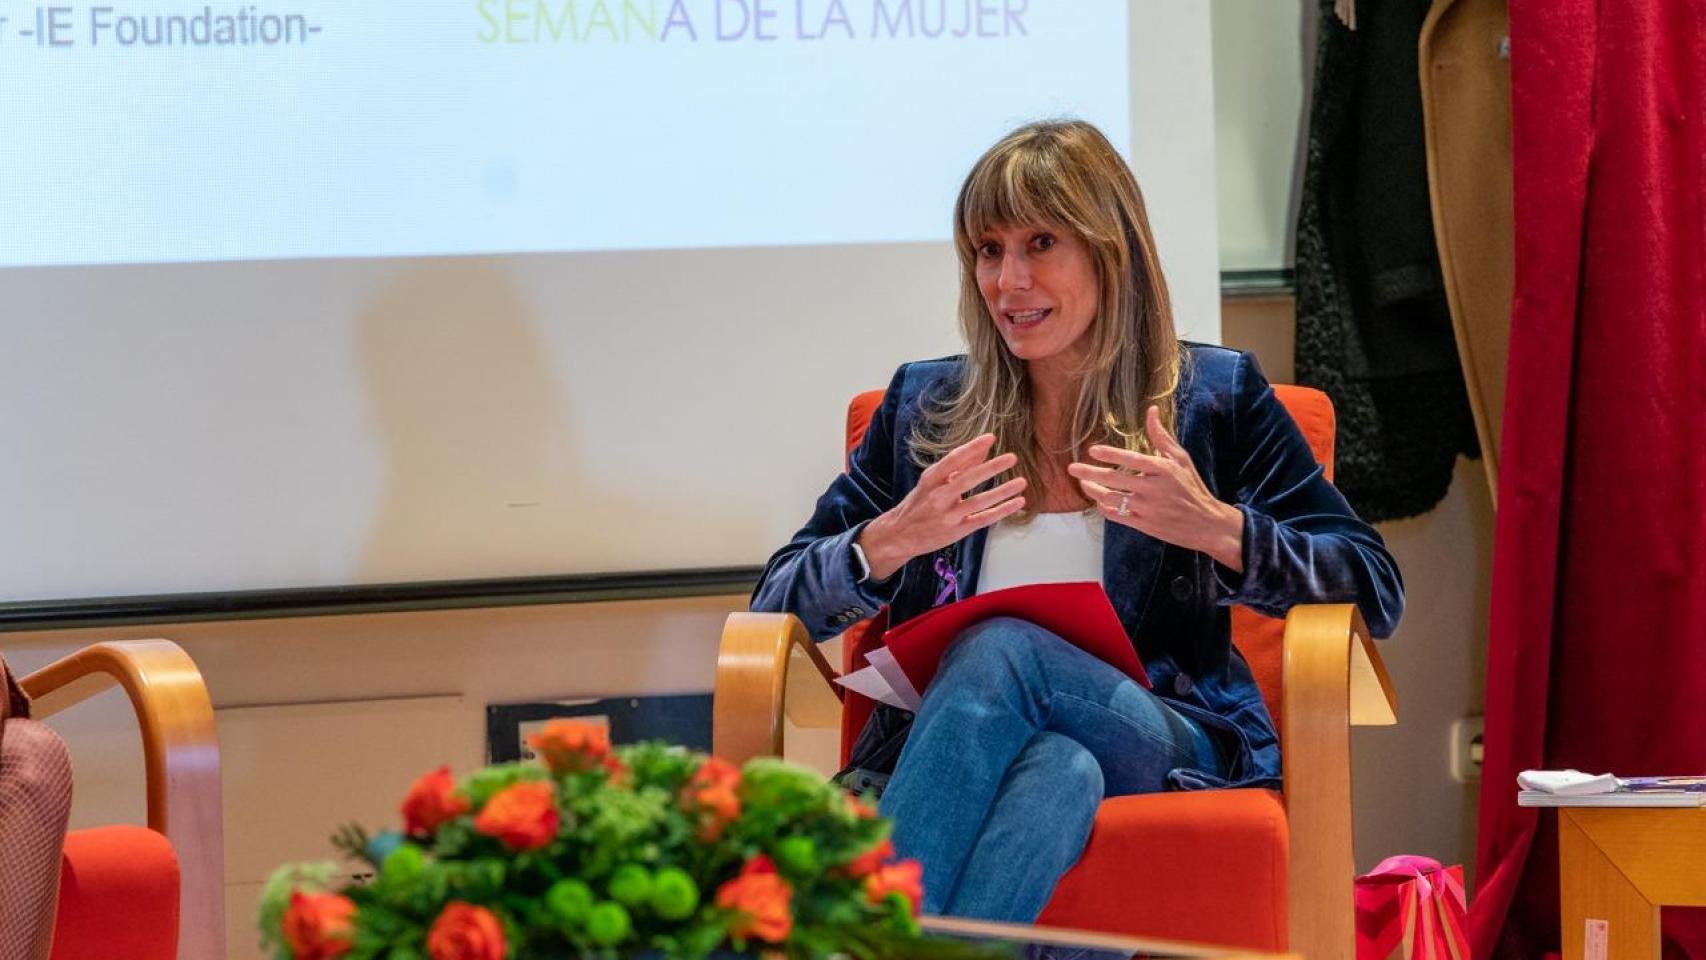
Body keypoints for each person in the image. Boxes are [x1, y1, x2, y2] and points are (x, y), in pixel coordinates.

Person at [749, 119, 1404, 923]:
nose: (1008, 281)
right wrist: (888, 541)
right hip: (958, 752)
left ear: (1109, 251)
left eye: (1040, 243)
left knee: (1003, 650)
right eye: (987, 251)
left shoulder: (1213, 400)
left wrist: (1216, 529)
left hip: (1165, 737)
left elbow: (1373, 587)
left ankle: (862, 937)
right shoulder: (929, 409)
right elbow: (774, 605)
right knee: (1056, 774)